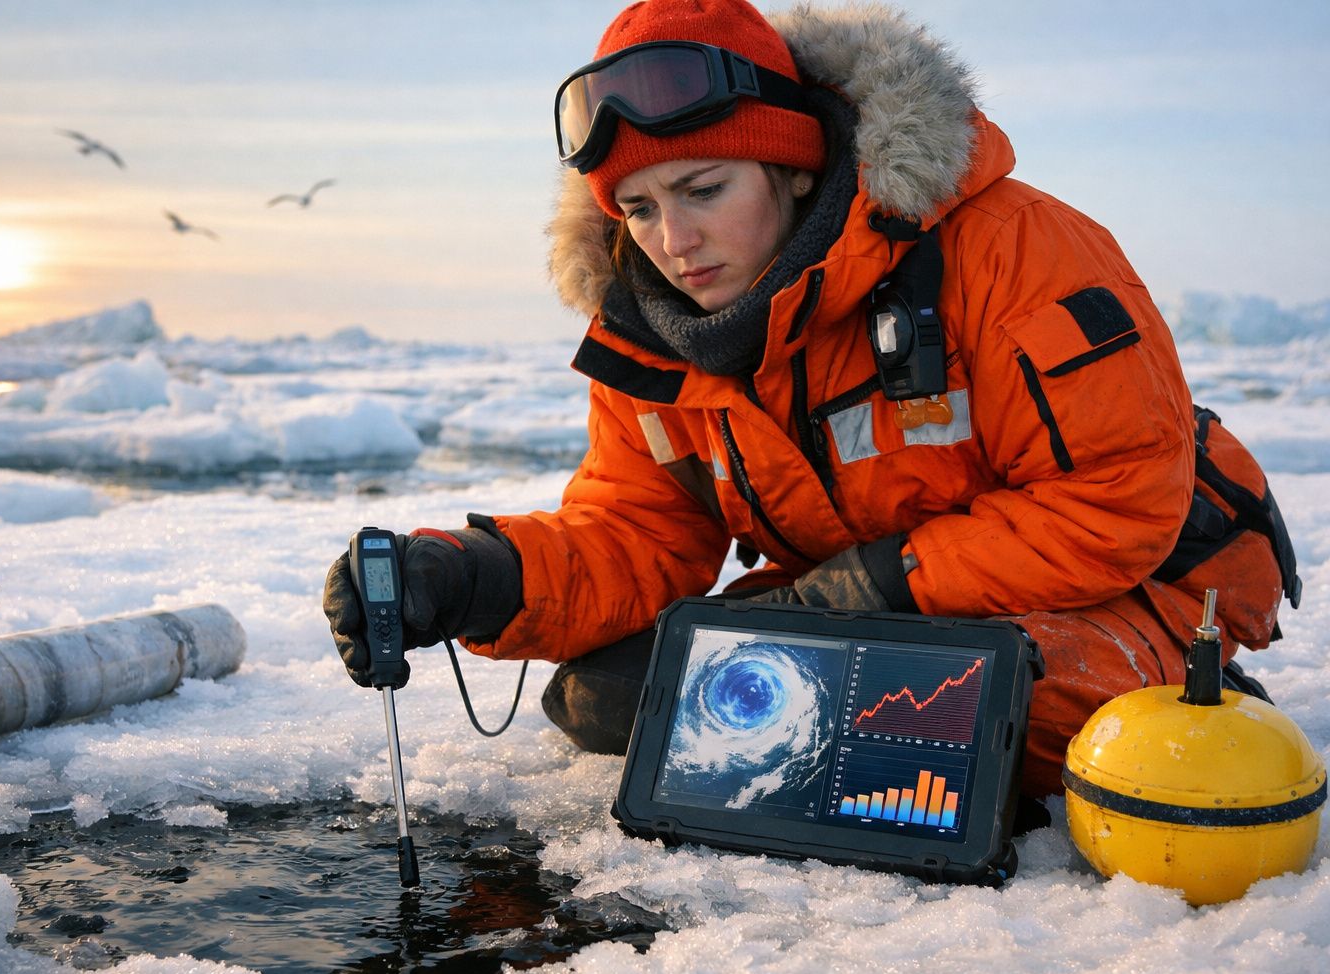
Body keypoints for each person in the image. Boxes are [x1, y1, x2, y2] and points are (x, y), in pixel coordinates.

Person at [324, 0, 1296, 798]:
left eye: (703, 189)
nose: (673, 239)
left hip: (1130, 587)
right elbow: (638, 533)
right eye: (639, 207)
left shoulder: (1013, 250)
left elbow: (1116, 502)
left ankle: (1185, 684)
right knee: (612, 698)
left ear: (792, 167)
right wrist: (474, 577)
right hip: (874, 608)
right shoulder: (651, 341)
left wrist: (871, 586)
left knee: (991, 710)